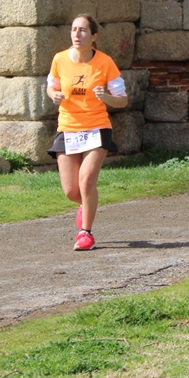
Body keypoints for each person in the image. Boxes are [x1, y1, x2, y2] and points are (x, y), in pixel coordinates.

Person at [46, 14, 128, 251]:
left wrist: (107, 97)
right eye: (73, 30)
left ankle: (86, 233)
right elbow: (51, 86)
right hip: (68, 128)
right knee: (72, 190)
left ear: (93, 36)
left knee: (86, 180)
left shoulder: (105, 63)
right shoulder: (60, 59)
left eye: (82, 30)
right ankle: (86, 205)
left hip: (96, 129)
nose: (76, 34)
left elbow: (122, 101)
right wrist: (54, 95)